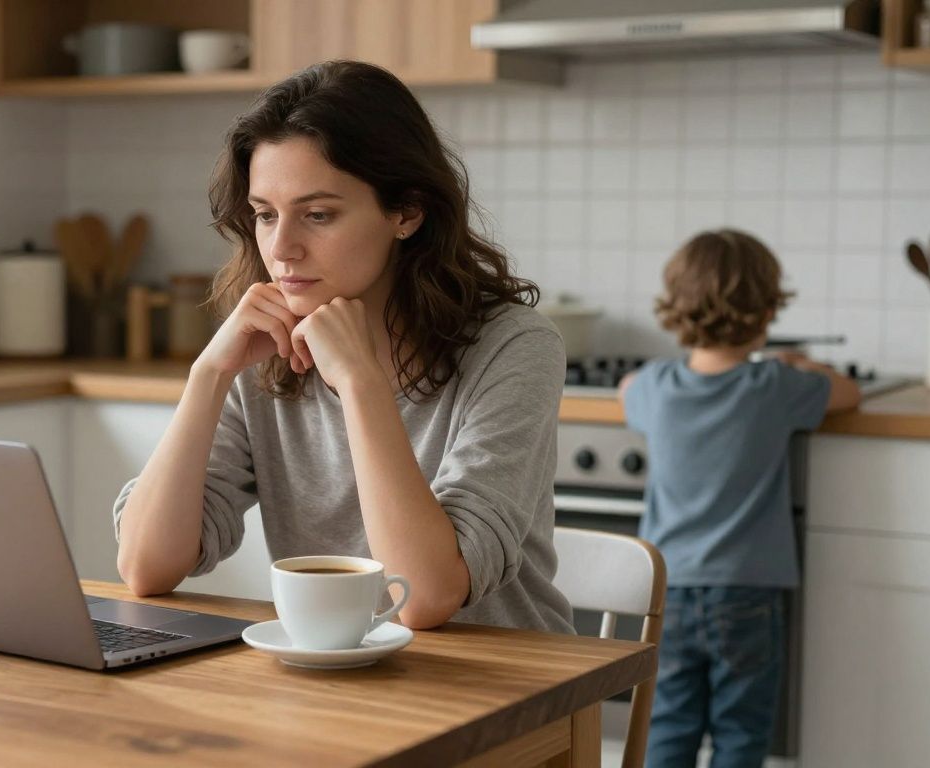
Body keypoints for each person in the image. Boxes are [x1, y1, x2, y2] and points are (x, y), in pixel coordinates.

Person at [112, 60, 574, 633]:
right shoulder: (262, 351)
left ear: (405, 212)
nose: (281, 248)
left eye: (319, 215)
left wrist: (359, 383)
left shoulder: (514, 347)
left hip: (509, 692)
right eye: (264, 215)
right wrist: (208, 375)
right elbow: (146, 568)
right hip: (334, 688)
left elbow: (422, 598)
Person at [618, 229, 860, 768]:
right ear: (767, 310)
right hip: (748, 594)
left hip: (670, 593)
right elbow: (849, 393)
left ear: (676, 307)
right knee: (741, 734)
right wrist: (798, 364)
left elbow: (626, 390)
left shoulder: (656, 387)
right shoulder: (775, 387)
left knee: (669, 726)